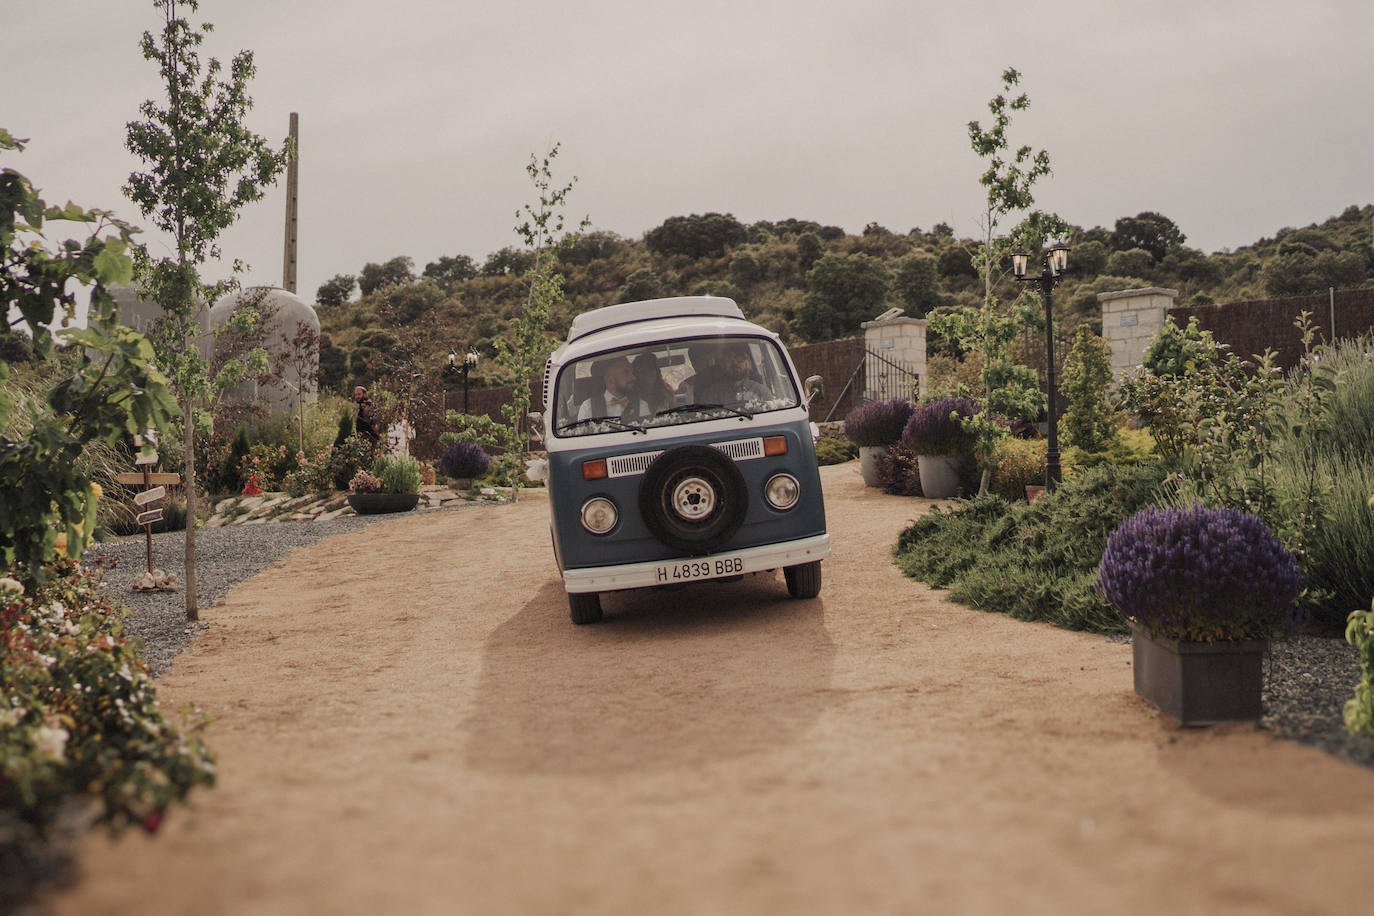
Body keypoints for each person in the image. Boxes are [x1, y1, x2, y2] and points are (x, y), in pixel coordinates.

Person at [698, 341, 770, 405]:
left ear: (747, 363)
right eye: (729, 358)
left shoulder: (762, 392)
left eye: (739, 358)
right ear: (722, 363)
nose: (735, 363)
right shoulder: (710, 395)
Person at [577, 356, 649, 421]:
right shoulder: (588, 407)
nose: (633, 377)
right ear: (610, 380)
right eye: (626, 373)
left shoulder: (641, 405)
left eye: (632, 373)